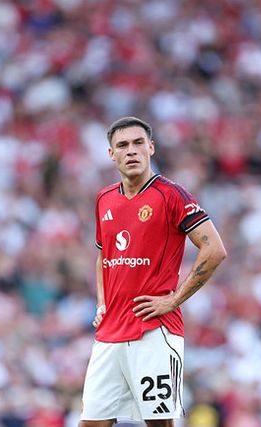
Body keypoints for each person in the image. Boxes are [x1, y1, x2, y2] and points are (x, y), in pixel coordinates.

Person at [79, 117, 227, 427]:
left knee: (158, 423)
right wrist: (102, 302)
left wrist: (173, 300)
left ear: (151, 148)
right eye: (122, 145)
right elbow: (104, 254)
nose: (131, 150)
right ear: (111, 154)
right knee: (91, 423)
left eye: (138, 143)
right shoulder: (105, 198)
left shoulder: (171, 195)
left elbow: (214, 249)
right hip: (109, 332)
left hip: (153, 331)